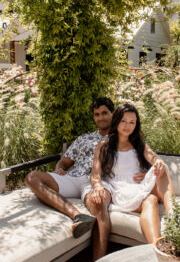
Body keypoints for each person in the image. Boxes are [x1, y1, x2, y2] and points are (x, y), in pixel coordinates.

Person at [85, 103, 174, 259]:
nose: (127, 126)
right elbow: (95, 173)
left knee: (162, 169)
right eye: (124, 121)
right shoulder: (104, 146)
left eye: (132, 122)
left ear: (136, 124)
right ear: (117, 121)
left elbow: (153, 158)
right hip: (120, 189)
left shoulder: (139, 144)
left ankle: (169, 222)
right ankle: (158, 251)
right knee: (151, 199)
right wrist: (98, 186)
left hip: (138, 187)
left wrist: (158, 162)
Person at [25, 97, 115, 238]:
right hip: (72, 178)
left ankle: (101, 260)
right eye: (97, 114)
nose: (100, 118)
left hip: (96, 181)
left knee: (99, 204)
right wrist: (59, 167)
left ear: (113, 114)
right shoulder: (84, 138)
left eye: (104, 113)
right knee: (32, 177)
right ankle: (77, 215)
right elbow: (65, 162)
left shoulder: (121, 139)